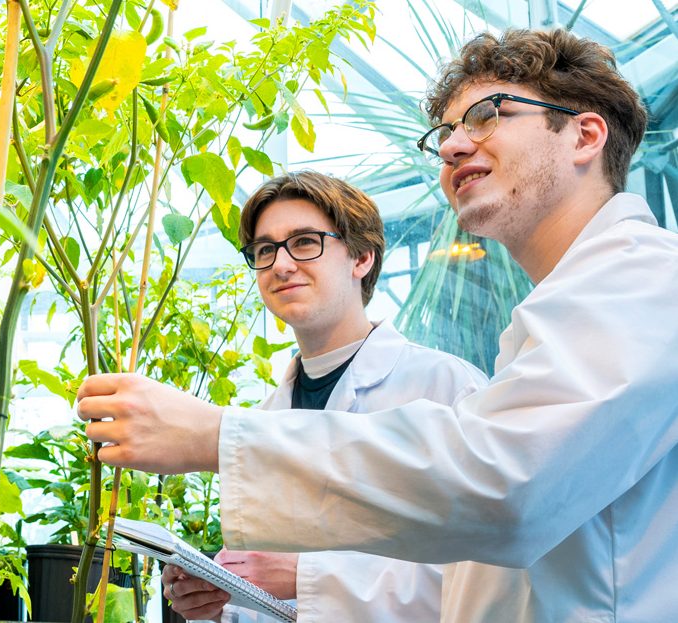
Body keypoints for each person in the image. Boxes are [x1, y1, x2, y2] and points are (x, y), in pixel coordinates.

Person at [79, 28, 678, 622]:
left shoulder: (643, 278)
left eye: (487, 115)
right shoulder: (556, 318)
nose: (451, 147)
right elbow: (481, 574)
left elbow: (502, 485)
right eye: (445, 133)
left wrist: (217, 437)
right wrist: (238, 600)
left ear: (585, 134)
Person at [160, 172, 486, 622]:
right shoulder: (266, 418)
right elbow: (273, 600)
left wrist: (307, 576)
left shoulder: (446, 388)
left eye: (305, 242)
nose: (281, 264)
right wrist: (219, 606)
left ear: (362, 258)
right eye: (265, 249)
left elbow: (483, 578)